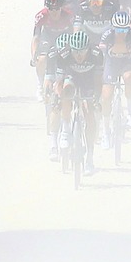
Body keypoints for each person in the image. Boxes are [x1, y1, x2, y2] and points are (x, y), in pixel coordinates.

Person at [49, 29, 106, 167]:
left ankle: (90, 156)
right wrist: (58, 97)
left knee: (89, 112)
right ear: (71, 49)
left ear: (88, 49)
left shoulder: (96, 54)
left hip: (88, 80)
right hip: (71, 77)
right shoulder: (64, 54)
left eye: (82, 52)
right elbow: (59, 82)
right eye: (75, 52)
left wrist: (97, 99)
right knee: (66, 91)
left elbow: (98, 81)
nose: (79, 55)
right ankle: (66, 130)